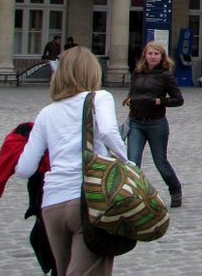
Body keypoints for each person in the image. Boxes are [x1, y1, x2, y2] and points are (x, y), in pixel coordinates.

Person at [14, 45, 128, 276]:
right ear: (92, 72)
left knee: (63, 270)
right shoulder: (98, 98)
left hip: (52, 205)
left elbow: (24, 168)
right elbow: (107, 132)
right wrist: (127, 163)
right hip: (87, 199)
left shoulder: (47, 112)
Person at [123, 40, 184, 208]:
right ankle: (132, 196)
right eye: (150, 53)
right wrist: (130, 98)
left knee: (160, 162)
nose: (152, 56)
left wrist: (160, 101)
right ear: (145, 55)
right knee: (132, 162)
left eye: (156, 54)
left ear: (162, 56)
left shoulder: (166, 75)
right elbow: (133, 90)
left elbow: (179, 99)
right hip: (136, 122)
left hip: (156, 123)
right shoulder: (138, 72)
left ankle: (175, 189)